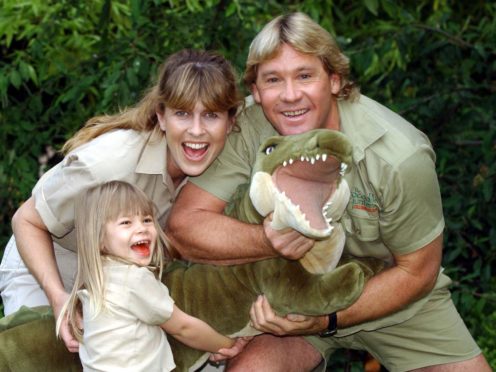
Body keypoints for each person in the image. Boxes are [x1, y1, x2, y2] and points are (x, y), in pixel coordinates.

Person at [167, 13, 491, 371]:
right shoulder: (248, 127)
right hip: (287, 293)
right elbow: (185, 226)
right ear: (256, 91)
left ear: (335, 80)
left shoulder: (399, 157)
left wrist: (327, 319)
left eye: (305, 76)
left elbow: (417, 272)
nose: (290, 96)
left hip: (389, 295)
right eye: (273, 80)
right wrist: (268, 240)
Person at [0, 49, 242, 353]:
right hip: (49, 262)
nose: (196, 130)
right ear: (161, 116)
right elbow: (27, 220)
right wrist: (59, 298)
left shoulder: (223, 169)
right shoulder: (108, 164)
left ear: (231, 121)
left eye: (211, 115)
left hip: (121, 280)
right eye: (182, 113)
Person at [57, 180, 247, 371]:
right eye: (126, 222)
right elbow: (183, 328)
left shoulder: (99, 277)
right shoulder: (133, 279)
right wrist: (230, 345)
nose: (141, 228)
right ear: (99, 238)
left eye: (147, 219)